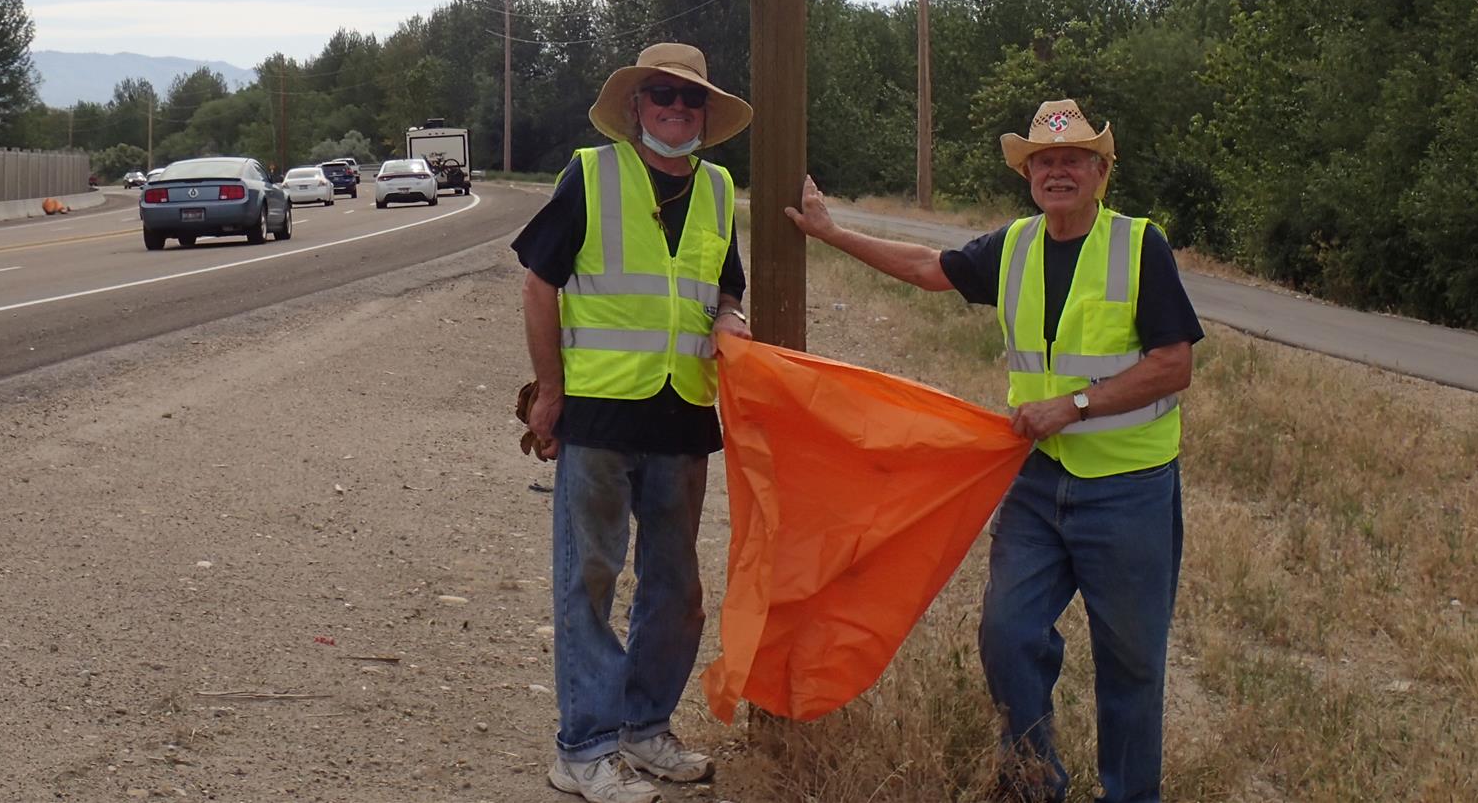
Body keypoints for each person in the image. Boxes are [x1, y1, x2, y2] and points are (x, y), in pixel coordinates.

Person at [786, 99, 1201, 803]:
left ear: (1101, 172)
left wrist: (1071, 406)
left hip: (1129, 488)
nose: (1058, 170)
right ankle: (1032, 782)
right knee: (1007, 633)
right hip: (1038, 483)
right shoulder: (1014, 247)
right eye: (1045, 160)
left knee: (1130, 664)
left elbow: (1173, 364)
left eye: (1074, 159)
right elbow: (927, 266)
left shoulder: (1140, 246)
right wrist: (831, 233)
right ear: (1028, 175)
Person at [513, 42, 754, 803]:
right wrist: (549, 393)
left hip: (684, 415)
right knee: (589, 575)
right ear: (636, 107)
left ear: (705, 115)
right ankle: (583, 747)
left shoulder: (718, 189)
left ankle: (645, 730)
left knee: (676, 585)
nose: (676, 110)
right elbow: (538, 284)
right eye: (661, 96)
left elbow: (726, 291)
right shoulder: (590, 174)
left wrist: (734, 317)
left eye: (690, 100)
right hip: (600, 415)